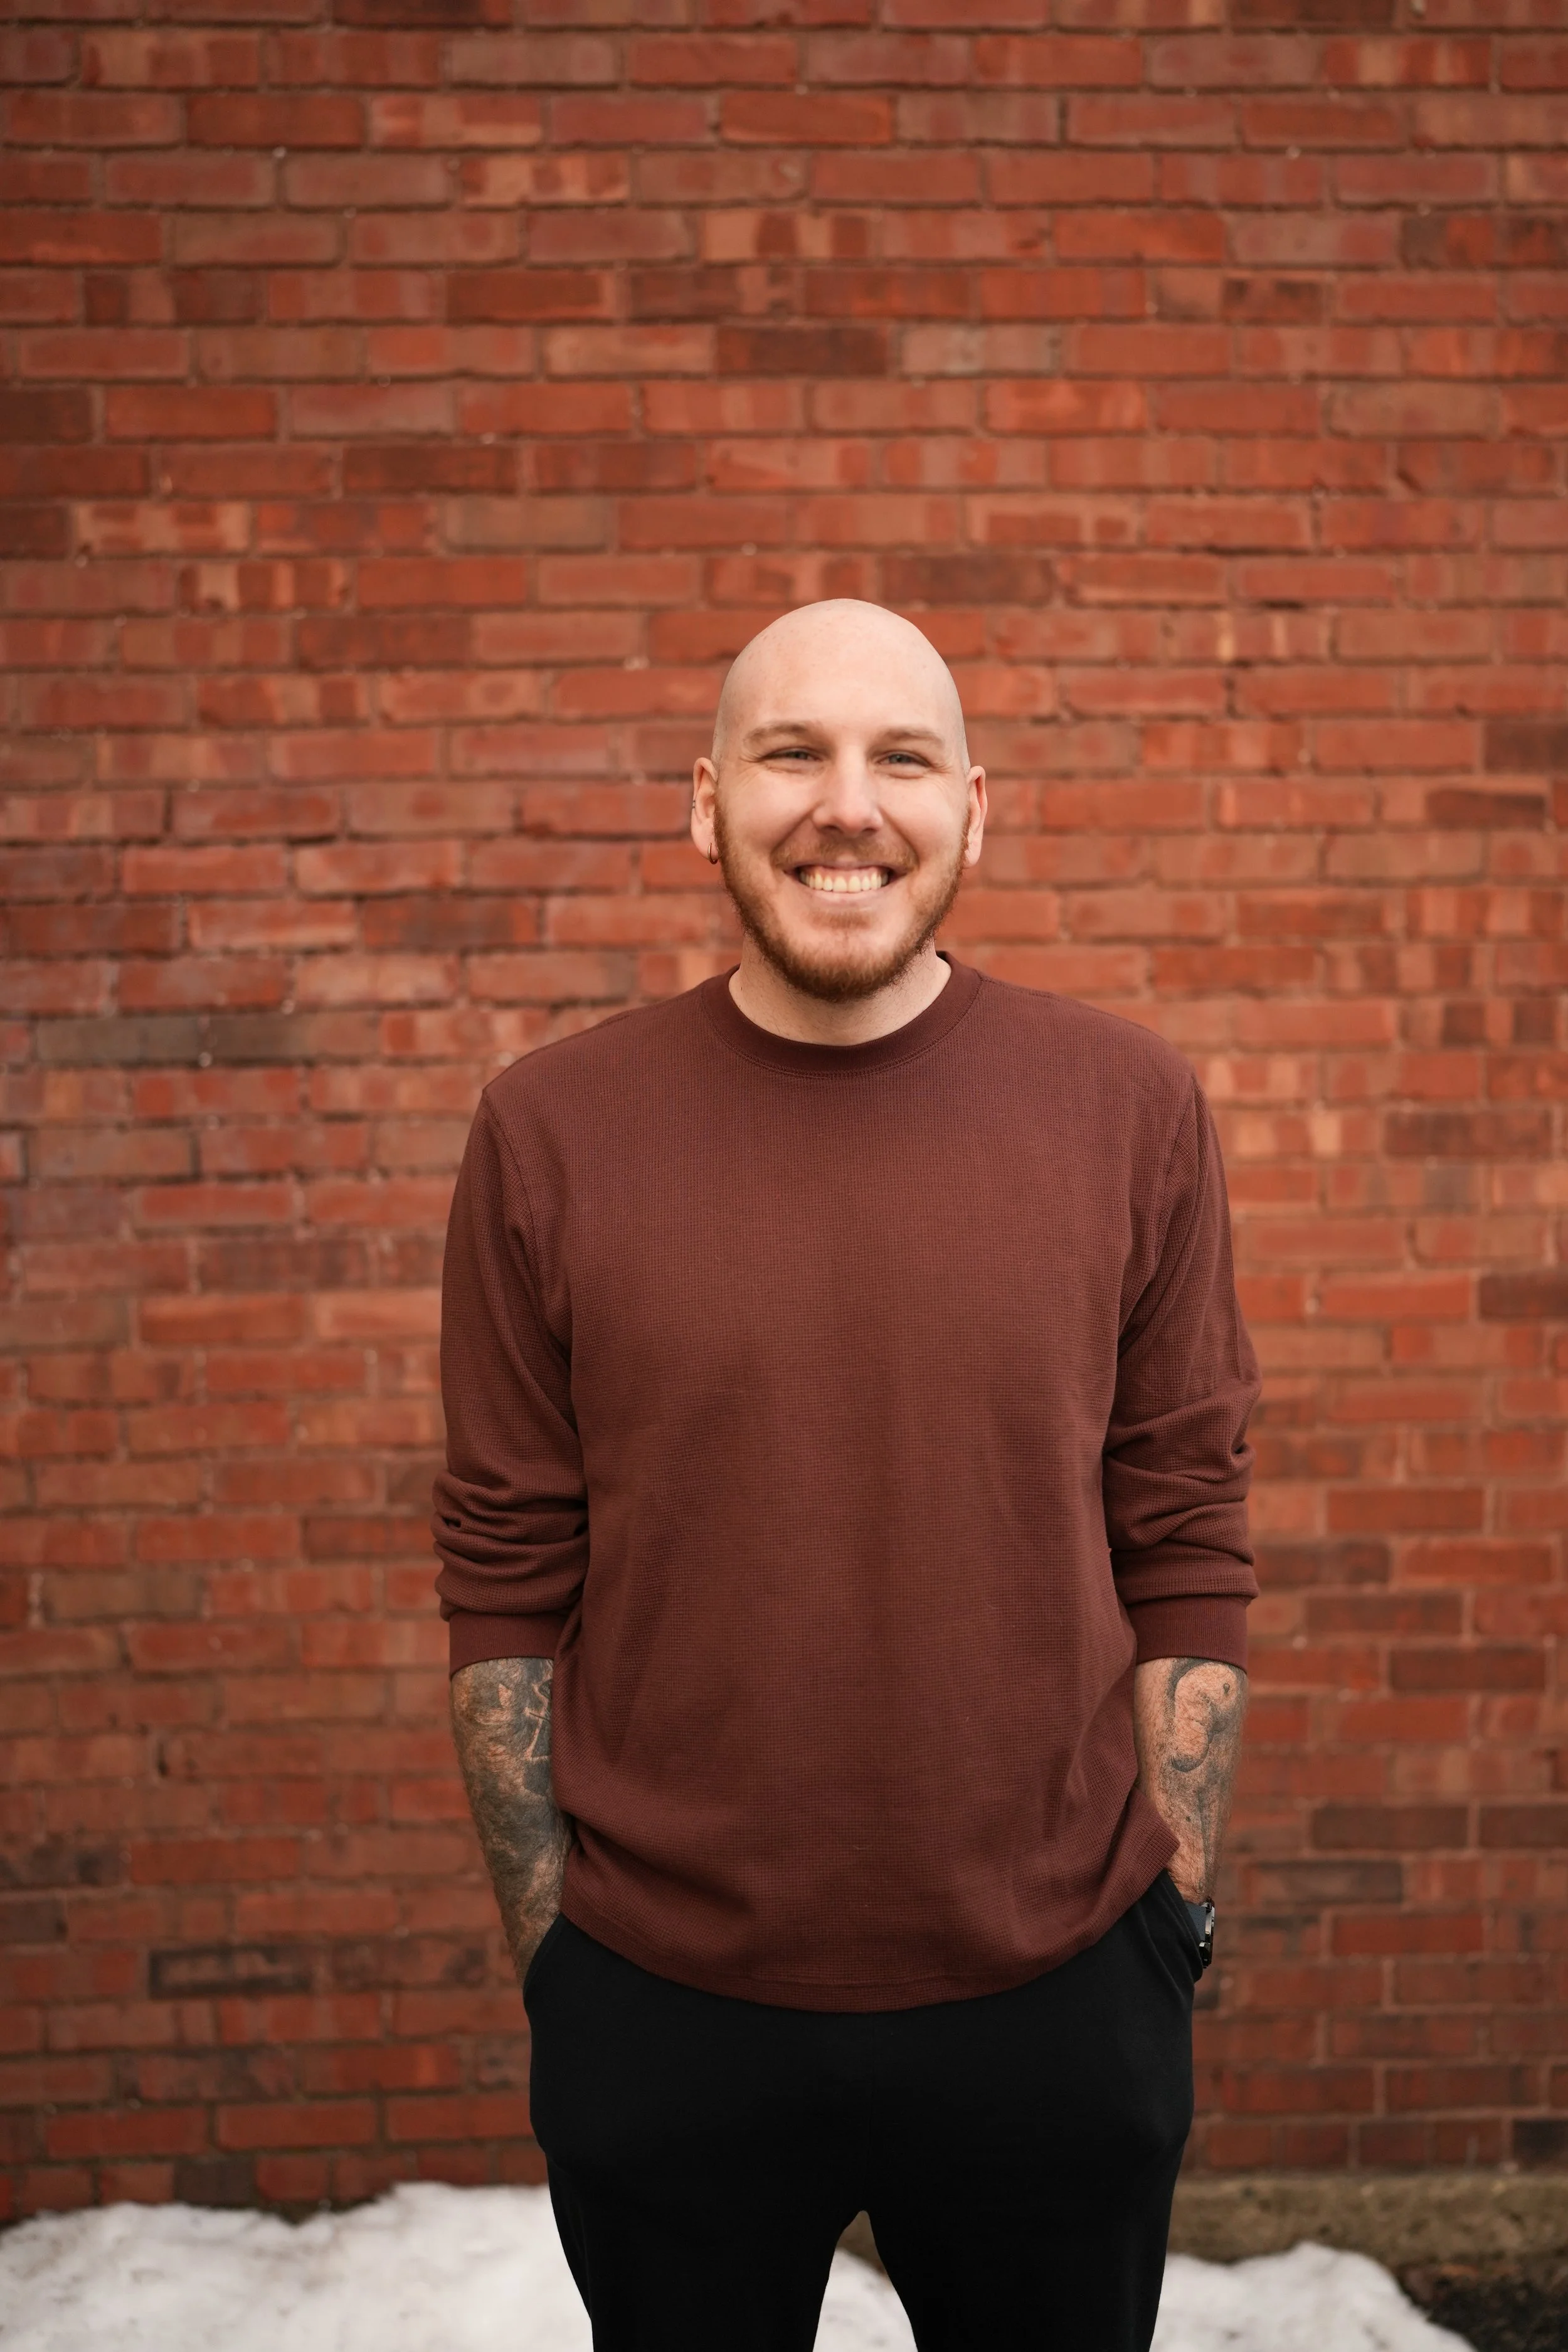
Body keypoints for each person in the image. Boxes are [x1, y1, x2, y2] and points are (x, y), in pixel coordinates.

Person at [432, 598, 1261, 2352]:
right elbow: (507, 1561)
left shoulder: (1124, 1106)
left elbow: (1183, 1519)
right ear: (704, 799)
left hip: (1054, 1993)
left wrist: (1168, 1921)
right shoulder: (552, 1128)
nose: (844, 804)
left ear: (974, 806)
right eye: (789, 751)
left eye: (897, 757)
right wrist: (558, 1957)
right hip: (665, 2001)